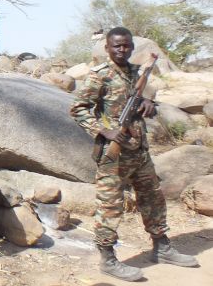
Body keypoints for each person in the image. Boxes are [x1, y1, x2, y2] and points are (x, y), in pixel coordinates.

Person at [70, 27, 198, 282]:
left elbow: (136, 102)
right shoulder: (100, 76)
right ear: (107, 48)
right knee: (110, 206)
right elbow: (78, 108)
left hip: (139, 150)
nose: (122, 50)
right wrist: (104, 130)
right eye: (116, 46)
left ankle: (161, 247)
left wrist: (148, 105)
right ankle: (108, 259)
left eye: (126, 45)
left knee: (153, 198)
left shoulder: (134, 72)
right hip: (114, 154)